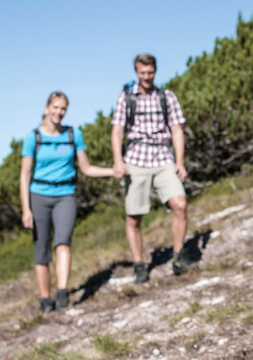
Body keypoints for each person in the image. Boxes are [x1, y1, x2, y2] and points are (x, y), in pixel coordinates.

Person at [20, 91, 118, 313]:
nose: (59, 112)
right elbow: (24, 174)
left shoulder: (74, 135)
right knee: (41, 249)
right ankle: (45, 298)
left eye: (63, 108)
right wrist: (26, 209)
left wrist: (112, 171)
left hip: (66, 194)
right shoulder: (33, 137)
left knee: (63, 242)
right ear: (46, 108)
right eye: (55, 107)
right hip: (39, 195)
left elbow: (86, 168)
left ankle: (62, 292)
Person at [110, 53, 192, 283]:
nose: (146, 77)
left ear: (155, 71)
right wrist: (118, 160)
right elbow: (117, 131)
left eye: (150, 72)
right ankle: (139, 265)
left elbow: (177, 129)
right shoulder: (126, 98)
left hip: (163, 157)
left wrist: (179, 161)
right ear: (136, 72)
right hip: (136, 159)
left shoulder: (167, 97)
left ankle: (178, 257)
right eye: (142, 73)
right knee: (134, 217)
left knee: (180, 204)